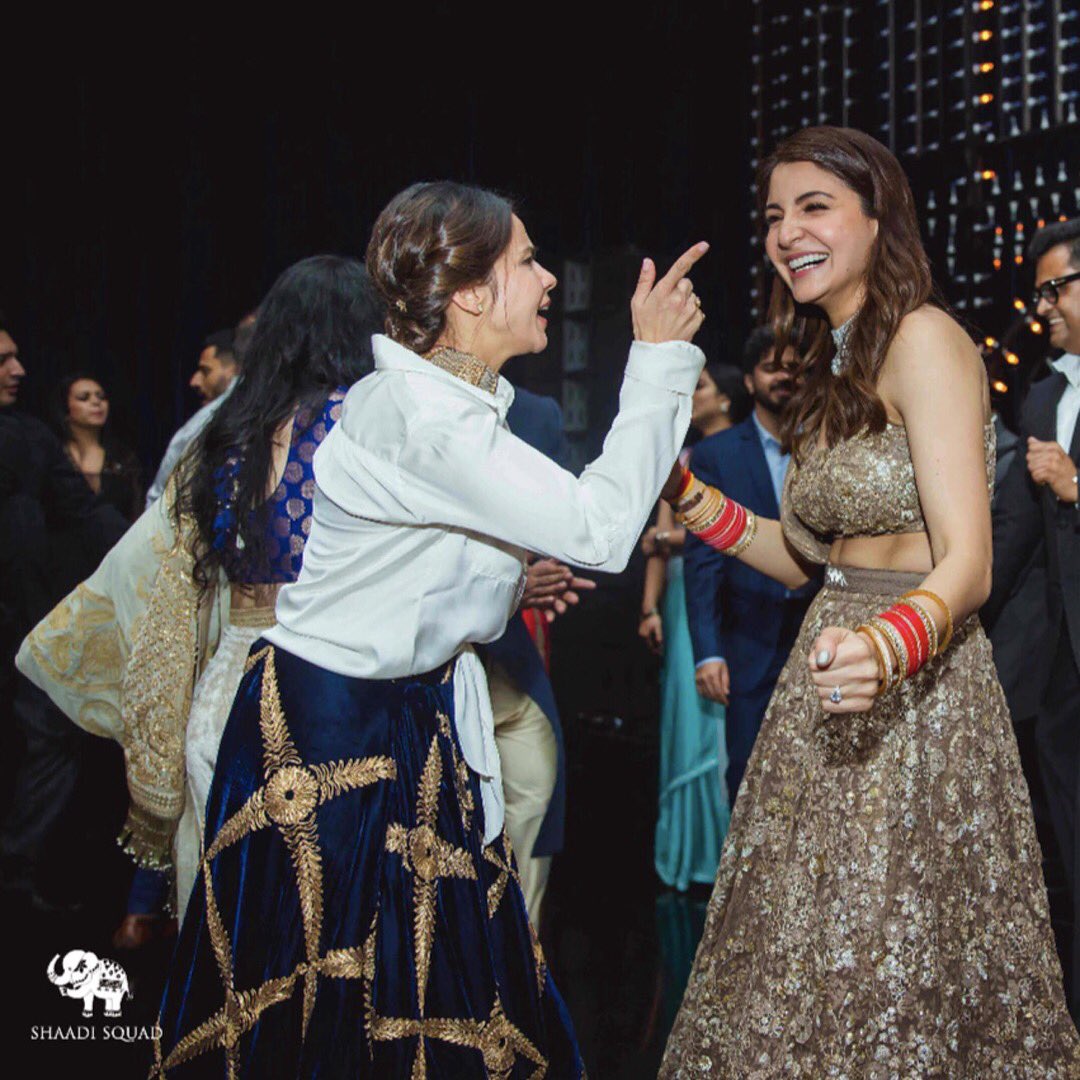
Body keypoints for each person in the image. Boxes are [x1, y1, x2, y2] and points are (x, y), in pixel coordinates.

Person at [139, 181, 707, 1076]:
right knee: (337, 995)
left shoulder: (437, 405)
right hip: (332, 737)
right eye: (526, 260)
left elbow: (423, 562)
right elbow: (599, 529)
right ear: (472, 293)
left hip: (395, 719)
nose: (550, 279)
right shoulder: (419, 416)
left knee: (424, 986)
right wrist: (659, 360)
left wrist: (505, 577)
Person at [660, 127, 1080, 1075]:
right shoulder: (828, 365)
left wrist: (885, 649)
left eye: (814, 208)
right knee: (801, 950)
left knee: (898, 950)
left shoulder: (926, 339)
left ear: (877, 216)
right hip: (827, 673)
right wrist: (689, 498)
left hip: (914, 688)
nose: (785, 233)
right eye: (773, 215)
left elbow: (967, 564)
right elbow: (806, 559)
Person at [18, 257, 382, 944]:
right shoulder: (368, 433)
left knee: (227, 909)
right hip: (338, 687)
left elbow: (149, 572)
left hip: (230, 695)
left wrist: (70, 639)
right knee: (325, 920)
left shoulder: (223, 438)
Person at [983, 217, 1080, 1016]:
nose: (1041, 305)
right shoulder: (1043, 394)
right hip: (1064, 678)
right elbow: (1012, 534)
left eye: (1055, 287)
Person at [0, 314, 128, 911]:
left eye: (17, 357)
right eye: (3, 359)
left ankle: (16, 873)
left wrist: (152, 558)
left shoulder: (26, 438)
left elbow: (85, 512)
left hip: (22, 624)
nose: (18, 370)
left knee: (50, 738)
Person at [683, 330, 820, 804]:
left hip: (820, 633)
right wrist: (708, 651)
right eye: (771, 367)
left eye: (795, 366)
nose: (785, 376)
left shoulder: (830, 448)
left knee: (820, 774)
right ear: (749, 380)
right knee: (747, 771)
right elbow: (702, 559)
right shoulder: (715, 454)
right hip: (748, 635)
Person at [484, 383, 596, 927]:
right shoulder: (393, 400)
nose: (548, 289)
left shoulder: (535, 412)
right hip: (425, 651)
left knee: (532, 779)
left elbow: (563, 517)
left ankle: (519, 957)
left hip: (510, 638)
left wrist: (537, 567)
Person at [641, 362, 744, 892]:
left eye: (700, 387)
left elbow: (678, 535)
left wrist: (670, 537)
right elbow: (654, 541)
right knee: (684, 712)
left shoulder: (741, 454)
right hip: (680, 594)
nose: (692, 396)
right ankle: (688, 847)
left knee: (721, 716)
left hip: (726, 589)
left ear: (727, 398)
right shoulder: (680, 458)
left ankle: (724, 847)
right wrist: (648, 608)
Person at [144, 328, 240, 506]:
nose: (194, 381)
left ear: (234, 369)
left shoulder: (213, 418)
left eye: (206, 371)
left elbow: (160, 497)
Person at [55, 373, 143, 521]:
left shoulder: (123, 458)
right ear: (65, 409)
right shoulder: (54, 455)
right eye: (84, 397)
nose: (96, 402)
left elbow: (137, 509)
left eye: (101, 397)